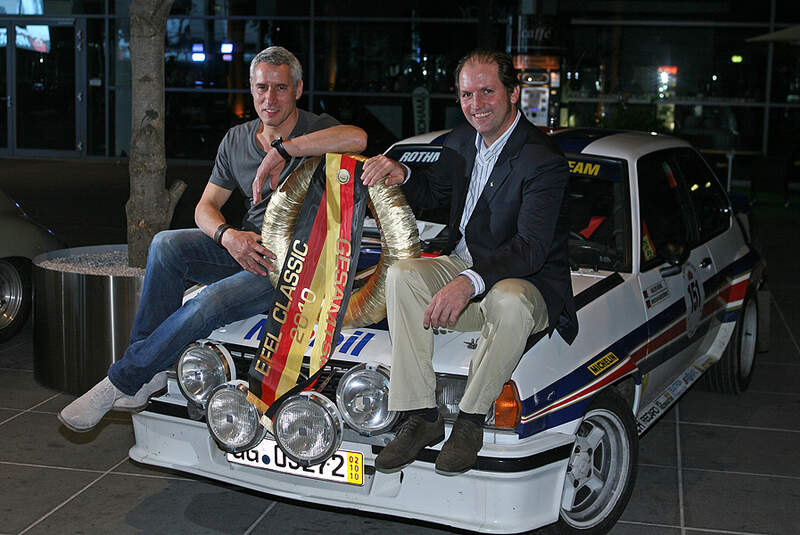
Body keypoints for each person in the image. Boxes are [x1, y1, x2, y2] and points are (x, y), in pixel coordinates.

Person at [59, 46, 367, 432]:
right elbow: (205, 207)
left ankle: (122, 379)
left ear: (299, 89)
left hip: (297, 263)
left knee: (211, 300)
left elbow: (356, 138)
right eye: (261, 88)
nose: (269, 99)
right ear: (251, 90)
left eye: (280, 88)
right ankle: (150, 372)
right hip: (249, 247)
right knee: (166, 244)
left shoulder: (315, 128)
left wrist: (284, 150)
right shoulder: (237, 139)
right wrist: (229, 237)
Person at [360, 50, 577, 475]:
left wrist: (469, 282)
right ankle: (422, 416)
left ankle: (471, 420)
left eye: (487, 91)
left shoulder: (542, 159)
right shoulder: (459, 141)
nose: (475, 103)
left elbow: (530, 248)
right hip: (467, 269)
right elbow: (439, 200)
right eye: (466, 94)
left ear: (513, 93)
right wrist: (403, 174)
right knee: (403, 274)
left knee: (510, 299)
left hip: (524, 282)